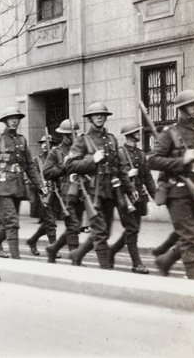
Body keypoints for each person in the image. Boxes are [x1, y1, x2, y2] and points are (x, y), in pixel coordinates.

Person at [65, 103, 137, 269]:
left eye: (102, 115)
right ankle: (105, 270)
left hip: (110, 192)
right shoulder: (83, 140)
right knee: (100, 232)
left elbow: (119, 168)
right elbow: (69, 165)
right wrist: (92, 159)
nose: (99, 117)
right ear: (90, 118)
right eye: (96, 115)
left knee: (105, 231)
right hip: (92, 192)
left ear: (105, 117)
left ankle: (77, 254)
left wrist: (130, 189)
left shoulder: (111, 139)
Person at [0, 108, 45, 259]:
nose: (14, 120)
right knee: (13, 222)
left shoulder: (22, 140)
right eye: (11, 118)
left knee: (7, 224)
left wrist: (40, 185)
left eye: (16, 118)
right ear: (5, 121)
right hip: (2, 188)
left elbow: (29, 166)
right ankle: (16, 258)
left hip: (18, 188)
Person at [148, 89, 194, 279]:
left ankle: (166, 259)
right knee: (189, 238)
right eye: (192, 105)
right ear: (182, 108)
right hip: (177, 194)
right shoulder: (170, 133)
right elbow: (152, 160)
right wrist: (181, 161)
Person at [107, 121, 156, 274]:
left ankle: (111, 252)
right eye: (136, 132)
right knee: (132, 229)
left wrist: (157, 196)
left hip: (139, 197)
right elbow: (113, 175)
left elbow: (148, 177)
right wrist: (127, 175)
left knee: (132, 230)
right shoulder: (120, 153)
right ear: (129, 135)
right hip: (124, 198)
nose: (139, 134)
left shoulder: (141, 154)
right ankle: (137, 264)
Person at [43, 119, 84, 262]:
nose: (71, 137)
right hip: (65, 194)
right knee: (73, 226)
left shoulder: (81, 150)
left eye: (73, 134)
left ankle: (53, 248)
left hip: (80, 192)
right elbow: (46, 172)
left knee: (75, 226)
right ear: (62, 136)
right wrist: (63, 164)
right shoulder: (56, 152)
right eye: (67, 135)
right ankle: (75, 259)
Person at [26, 134, 60, 256]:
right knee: (50, 221)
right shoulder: (37, 160)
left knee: (50, 221)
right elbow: (32, 176)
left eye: (48, 143)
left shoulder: (55, 159)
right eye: (43, 143)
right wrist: (40, 186)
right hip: (44, 194)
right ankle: (53, 247)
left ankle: (32, 240)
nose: (45, 145)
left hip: (56, 193)